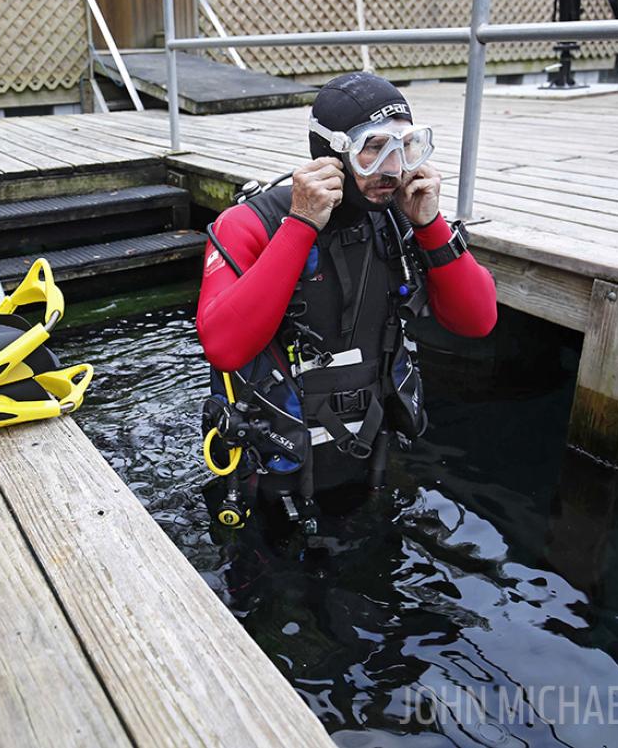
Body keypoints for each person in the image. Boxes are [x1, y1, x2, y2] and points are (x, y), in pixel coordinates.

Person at [196, 72, 497, 533]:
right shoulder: (250, 224)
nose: (393, 168)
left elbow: (477, 321)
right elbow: (223, 347)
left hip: (367, 460)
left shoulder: (399, 221)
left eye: (405, 147)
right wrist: (300, 224)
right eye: (373, 148)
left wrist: (432, 226)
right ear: (334, 152)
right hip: (267, 474)